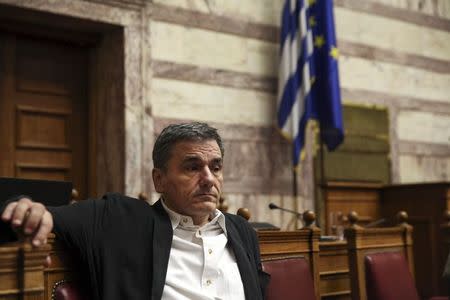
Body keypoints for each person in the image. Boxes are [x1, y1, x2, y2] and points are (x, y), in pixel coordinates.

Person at [1, 122, 269, 300]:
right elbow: (44, 215)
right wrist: (28, 211)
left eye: (216, 167)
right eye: (192, 167)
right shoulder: (118, 219)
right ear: (159, 179)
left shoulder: (241, 231)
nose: (209, 178)